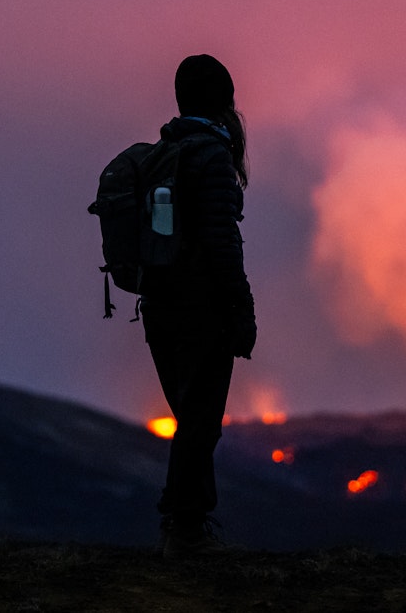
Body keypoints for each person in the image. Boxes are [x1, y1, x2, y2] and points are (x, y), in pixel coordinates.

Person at [139, 53, 257, 558]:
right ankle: (184, 531)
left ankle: (184, 528)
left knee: (190, 417)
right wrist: (242, 308)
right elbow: (220, 240)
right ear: (223, 100)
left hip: (158, 305)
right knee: (201, 420)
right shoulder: (211, 158)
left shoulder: (163, 154)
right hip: (200, 309)